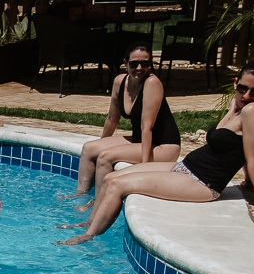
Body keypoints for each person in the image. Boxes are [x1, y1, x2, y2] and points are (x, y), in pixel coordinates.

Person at [57, 60, 254, 246]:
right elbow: (239, 148)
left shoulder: (253, 111)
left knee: (117, 185)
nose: (247, 95)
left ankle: (88, 236)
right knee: (110, 177)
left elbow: (253, 159)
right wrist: (247, 183)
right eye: (242, 88)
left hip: (203, 183)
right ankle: (90, 221)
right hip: (188, 168)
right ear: (235, 83)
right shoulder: (237, 107)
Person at [61, 42, 181, 207]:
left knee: (105, 157)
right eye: (134, 63)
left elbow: (147, 127)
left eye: (145, 63)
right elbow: (112, 119)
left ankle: (97, 204)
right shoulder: (120, 81)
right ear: (125, 63)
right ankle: (80, 194)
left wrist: (144, 166)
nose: (139, 68)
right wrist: (100, 143)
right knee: (89, 148)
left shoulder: (152, 83)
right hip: (140, 139)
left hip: (164, 145)